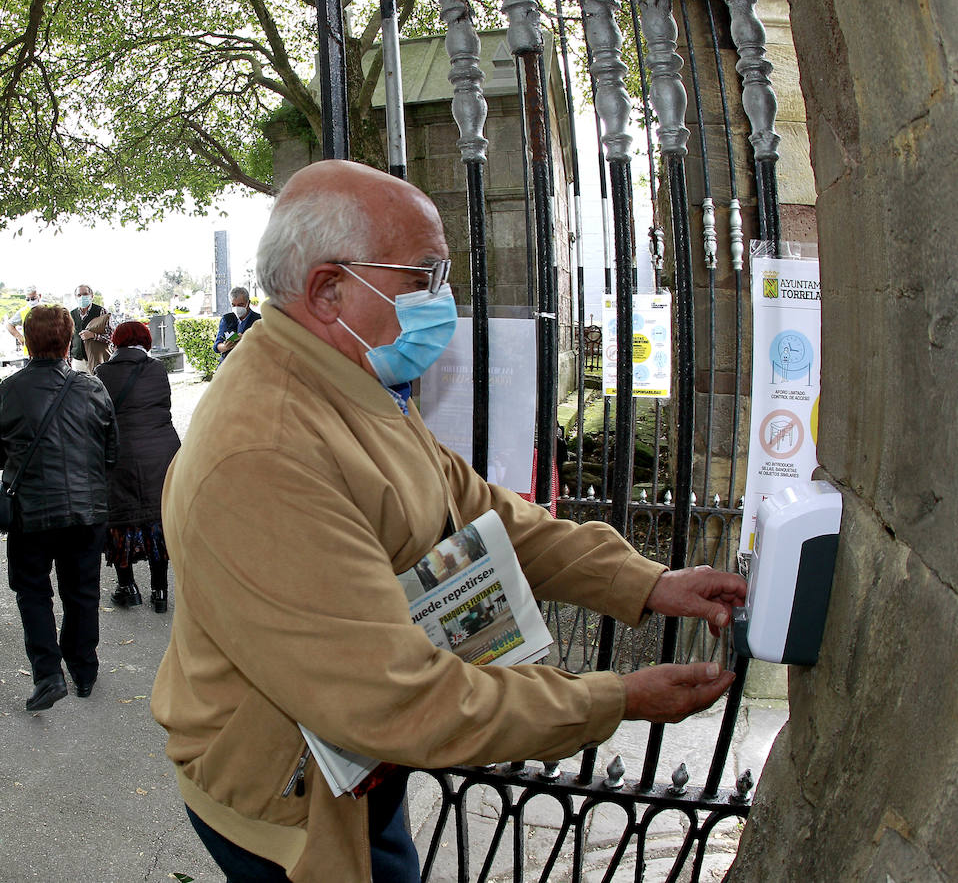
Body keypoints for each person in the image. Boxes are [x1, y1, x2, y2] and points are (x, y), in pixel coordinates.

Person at [149, 160, 746, 882]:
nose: (445, 300)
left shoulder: (345, 381)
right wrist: (614, 700)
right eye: (424, 277)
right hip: (291, 801)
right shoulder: (264, 454)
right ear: (329, 290)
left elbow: (479, 511)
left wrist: (646, 582)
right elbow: (393, 695)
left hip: (356, 764)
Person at [0, 305, 118, 711]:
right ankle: (84, 669)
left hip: (32, 511)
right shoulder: (93, 389)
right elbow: (112, 454)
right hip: (85, 509)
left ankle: (47, 674)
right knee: (82, 591)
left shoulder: (10, 390)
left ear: (27, 339)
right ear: (67, 339)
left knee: (32, 590)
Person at [94, 321, 181, 613]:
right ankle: (160, 592)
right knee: (157, 520)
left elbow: (100, 418)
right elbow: (162, 405)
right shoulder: (157, 369)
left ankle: (127, 587)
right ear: (146, 341)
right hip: (162, 452)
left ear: (115, 343)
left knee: (121, 520)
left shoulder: (102, 373)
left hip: (120, 455)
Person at [213, 286, 261, 366]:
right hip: (227, 365)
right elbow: (217, 346)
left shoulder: (259, 320)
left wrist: (247, 338)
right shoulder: (227, 319)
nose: (237, 308)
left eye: (240, 305)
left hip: (250, 366)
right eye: (233, 305)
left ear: (248, 303)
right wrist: (225, 347)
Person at [69, 284, 111, 374]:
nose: (82, 297)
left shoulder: (101, 312)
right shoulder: (72, 314)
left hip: (97, 360)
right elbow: (69, 338)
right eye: (79, 295)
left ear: (92, 296)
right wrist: (69, 359)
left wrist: (93, 335)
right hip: (78, 361)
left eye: (85, 294)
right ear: (75, 297)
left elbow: (110, 337)